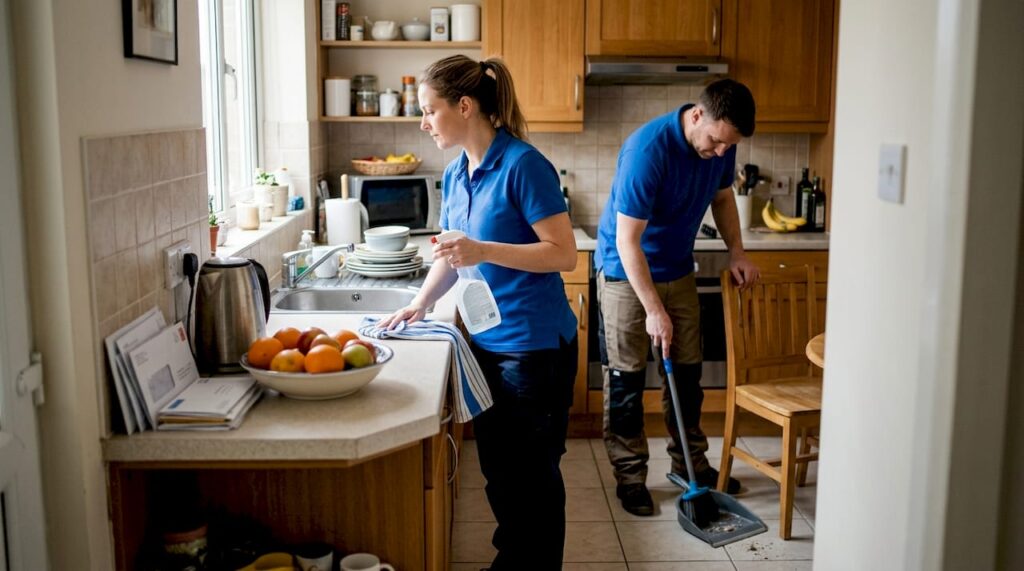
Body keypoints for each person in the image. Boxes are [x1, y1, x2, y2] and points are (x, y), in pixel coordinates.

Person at [378, 55, 579, 570]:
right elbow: (453, 253)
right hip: (485, 343)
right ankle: (512, 561)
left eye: (429, 110)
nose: (422, 122)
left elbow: (563, 253)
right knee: (498, 470)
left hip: (534, 349)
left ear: (464, 106)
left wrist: (484, 250)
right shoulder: (456, 171)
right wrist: (419, 304)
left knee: (533, 477)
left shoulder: (523, 165)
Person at [595, 78, 761, 516]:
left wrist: (737, 252)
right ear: (696, 115)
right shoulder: (647, 151)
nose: (721, 152)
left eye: (729, 145)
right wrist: (653, 310)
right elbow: (629, 242)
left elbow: (723, 200)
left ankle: (692, 468)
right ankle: (631, 477)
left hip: (676, 268)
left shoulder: (721, 145)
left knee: (687, 376)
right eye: (716, 142)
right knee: (626, 382)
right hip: (625, 274)